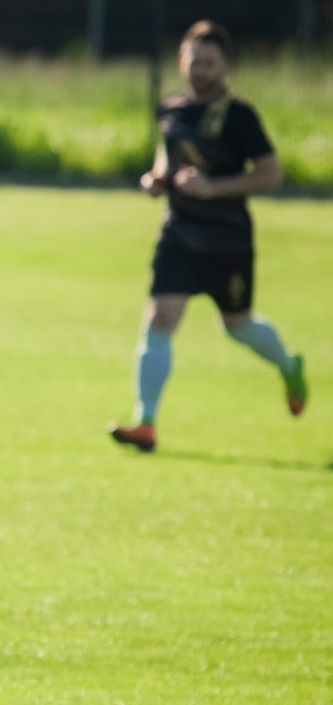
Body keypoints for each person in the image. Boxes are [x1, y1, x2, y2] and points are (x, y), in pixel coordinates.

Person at [111, 20, 309, 453]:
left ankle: (289, 364)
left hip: (227, 240)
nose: (199, 69)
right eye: (193, 60)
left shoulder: (239, 116)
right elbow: (167, 152)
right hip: (178, 233)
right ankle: (146, 422)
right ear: (182, 60)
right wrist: (157, 178)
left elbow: (270, 175)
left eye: (209, 62)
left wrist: (212, 188)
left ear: (225, 66)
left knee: (236, 326)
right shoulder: (171, 108)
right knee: (159, 319)